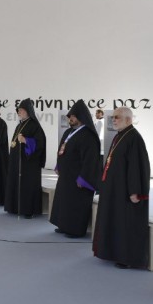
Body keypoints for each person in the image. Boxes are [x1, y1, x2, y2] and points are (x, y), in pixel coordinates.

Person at [92, 107, 151, 269]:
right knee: (114, 220)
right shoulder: (120, 135)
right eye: (113, 117)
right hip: (114, 189)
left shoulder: (134, 138)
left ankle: (127, 258)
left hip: (125, 191)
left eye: (117, 117)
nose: (113, 120)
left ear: (128, 120)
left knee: (125, 223)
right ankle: (112, 252)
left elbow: (137, 167)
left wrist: (135, 191)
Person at [49, 99, 102, 238]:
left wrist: (83, 178)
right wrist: (58, 165)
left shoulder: (88, 135)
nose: (70, 119)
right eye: (69, 116)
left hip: (78, 178)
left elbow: (90, 160)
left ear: (81, 117)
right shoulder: (68, 132)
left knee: (75, 203)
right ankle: (63, 225)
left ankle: (75, 230)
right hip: (66, 176)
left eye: (73, 116)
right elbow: (61, 150)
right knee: (64, 201)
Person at [4, 98, 46, 218]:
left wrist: (26, 140)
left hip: (29, 164)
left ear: (28, 111)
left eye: (21, 110)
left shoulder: (35, 126)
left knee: (27, 185)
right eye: (18, 110)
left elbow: (40, 143)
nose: (19, 112)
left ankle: (28, 210)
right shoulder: (20, 125)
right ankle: (15, 207)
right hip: (17, 161)